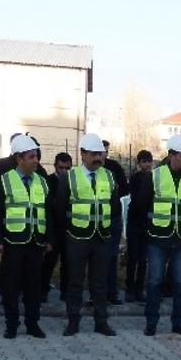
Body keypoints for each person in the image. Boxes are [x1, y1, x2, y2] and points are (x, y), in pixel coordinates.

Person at [135, 134, 181, 336]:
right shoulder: (155, 175)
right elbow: (141, 205)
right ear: (171, 155)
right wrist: (147, 230)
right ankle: (151, 322)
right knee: (154, 281)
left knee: (180, 283)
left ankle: (178, 323)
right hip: (157, 238)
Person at [0, 134, 52, 338]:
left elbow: (48, 212)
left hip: (36, 243)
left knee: (33, 287)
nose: (35, 160)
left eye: (36, 156)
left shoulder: (42, 182)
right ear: (19, 158)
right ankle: (11, 325)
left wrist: (48, 240)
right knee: (11, 286)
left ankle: (32, 324)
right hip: (13, 242)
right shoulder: (5, 180)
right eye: (31, 156)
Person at [60, 133, 117, 337]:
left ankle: (101, 322)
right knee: (75, 281)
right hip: (77, 237)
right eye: (94, 154)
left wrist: (110, 231)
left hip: (101, 238)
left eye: (100, 154)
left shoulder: (109, 176)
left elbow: (114, 206)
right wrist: (67, 232)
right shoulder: (71, 177)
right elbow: (60, 208)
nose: (98, 158)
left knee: (100, 282)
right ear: (82, 154)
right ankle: (73, 321)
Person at [41, 152, 73, 302]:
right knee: (48, 262)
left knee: (68, 263)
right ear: (55, 166)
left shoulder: (74, 182)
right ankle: (43, 290)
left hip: (69, 229)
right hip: (53, 228)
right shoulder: (48, 181)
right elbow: (46, 208)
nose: (64, 171)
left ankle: (65, 292)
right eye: (61, 168)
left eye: (67, 168)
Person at [125, 149, 153, 302]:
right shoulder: (135, 178)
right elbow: (137, 199)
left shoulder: (155, 178)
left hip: (147, 223)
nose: (147, 164)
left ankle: (139, 289)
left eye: (149, 161)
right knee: (133, 257)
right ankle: (129, 288)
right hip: (135, 222)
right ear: (139, 163)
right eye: (144, 161)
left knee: (143, 259)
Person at [102, 140, 129, 305]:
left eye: (106, 151)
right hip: (96, 220)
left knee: (112, 257)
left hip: (114, 218)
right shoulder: (92, 169)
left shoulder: (114, 167)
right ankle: (96, 294)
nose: (103, 154)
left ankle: (112, 292)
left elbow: (125, 189)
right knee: (97, 259)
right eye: (100, 151)